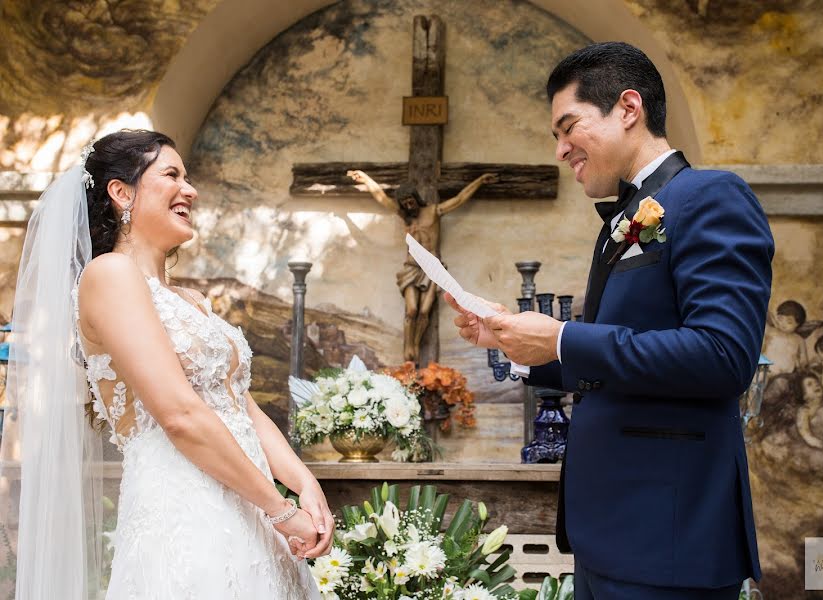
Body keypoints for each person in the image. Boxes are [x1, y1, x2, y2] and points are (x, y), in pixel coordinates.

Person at [446, 42, 773, 599]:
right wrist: (515, 345)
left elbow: (723, 356)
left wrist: (565, 338)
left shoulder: (710, 196)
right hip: (607, 535)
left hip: (668, 533)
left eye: (568, 126)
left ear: (628, 108)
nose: (559, 150)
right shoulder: (622, 220)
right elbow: (613, 362)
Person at [1, 130, 331, 598]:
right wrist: (280, 509)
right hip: (188, 512)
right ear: (121, 192)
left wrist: (303, 482)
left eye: (188, 177)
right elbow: (178, 415)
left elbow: (242, 408)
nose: (190, 190)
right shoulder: (109, 276)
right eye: (172, 175)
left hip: (252, 510)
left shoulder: (192, 300)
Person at [347, 169, 496, 362]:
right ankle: (408, 345)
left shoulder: (433, 211)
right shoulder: (405, 216)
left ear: (416, 198)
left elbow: (459, 199)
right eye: (405, 203)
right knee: (411, 310)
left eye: (411, 200)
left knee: (424, 311)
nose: (409, 205)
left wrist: (480, 180)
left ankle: (415, 343)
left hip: (432, 268)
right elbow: (381, 197)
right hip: (411, 268)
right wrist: (366, 179)